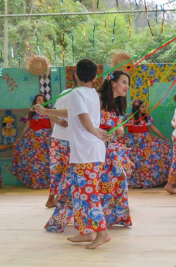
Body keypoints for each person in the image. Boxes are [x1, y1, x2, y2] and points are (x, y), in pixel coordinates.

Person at [35, 58, 112, 249]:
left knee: (88, 193)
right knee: (78, 192)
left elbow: (84, 118)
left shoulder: (77, 93)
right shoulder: (91, 93)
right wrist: (46, 111)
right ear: (95, 77)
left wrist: (96, 132)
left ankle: (102, 233)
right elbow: (72, 113)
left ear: (75, 75)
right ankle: (86, 232)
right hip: (83, 152)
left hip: (88, 152)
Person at [97, 70, 134, 227]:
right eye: (124, 82)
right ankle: (96, 217)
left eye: (128, 84)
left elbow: (120, 131)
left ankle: (111, 217)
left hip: (109, 148)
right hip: (95, 147)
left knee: (118, 180)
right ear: (113, 82)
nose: (127, 87)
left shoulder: (116, 105)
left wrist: (114, 126)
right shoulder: (98, 99)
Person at [118, 99, 171, 188]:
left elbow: (154, 129)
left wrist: (164, 138)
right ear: (137, 108)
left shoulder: (147, 117)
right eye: (142, 107)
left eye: (145, 106)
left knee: (146, 163)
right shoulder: (129, 117)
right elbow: (122, 129)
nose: (144, 108)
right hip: (133, 143)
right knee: (135, 162)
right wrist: (116, 138)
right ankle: (135, 182)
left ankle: (146, 182)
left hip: (146, 143)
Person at [45, 75, 76, 208]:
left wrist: (59, 122)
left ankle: (52, 199)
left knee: (57, 170)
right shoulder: (79, 94)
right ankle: (60, 200)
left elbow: (53, 114)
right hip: (69, 139)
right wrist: (60, 121)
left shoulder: (65, 92)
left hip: (57, 137)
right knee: (70, 170)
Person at [11, 94, 54, 189]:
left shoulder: (49, 113)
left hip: (45, 142)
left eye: (43, 100)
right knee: (35, 162)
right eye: (39, 100)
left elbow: (53, 127)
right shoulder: (31, 114)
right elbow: (27, 126)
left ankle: (47, 183)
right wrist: (20, 137)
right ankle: (36, 183)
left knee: (45, 162)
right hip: (33, 143)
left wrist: (54, 139)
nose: (41, 102)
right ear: (35, 102)